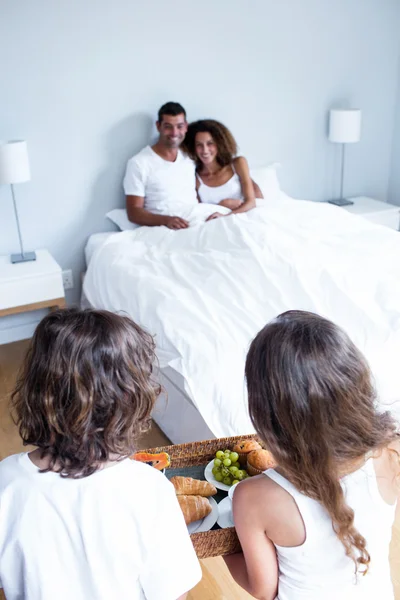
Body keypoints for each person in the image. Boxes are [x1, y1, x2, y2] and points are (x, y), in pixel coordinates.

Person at [0, 308, 201, 600]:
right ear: (133, 400)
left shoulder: (6, 483)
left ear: (38, 390)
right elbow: (173, 594)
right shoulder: (149, 489)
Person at [224, 310, 400, 600]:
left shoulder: (252, 496)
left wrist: (224, 547)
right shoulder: (390, 451)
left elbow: (263, 589)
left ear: (268, 416)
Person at [124, 101, 198, 230]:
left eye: (179, 126)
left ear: (186, 127)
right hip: (163, 228)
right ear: (158, 126)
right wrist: (166, 220)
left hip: (195, 221)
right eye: (168, 127)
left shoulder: (190, 157)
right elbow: (133, 212)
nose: (174, 133)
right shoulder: (139, 163)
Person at [181, 119, 263, 220]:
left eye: (210, 143)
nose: (205, 150)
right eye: (199, 145)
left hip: (244, 218)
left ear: (219, 144)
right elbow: (200, 211)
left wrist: (226, 215)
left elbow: (251, 203)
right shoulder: (196, 179)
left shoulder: (238, 164)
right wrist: (222, 205)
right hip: (215, 223)